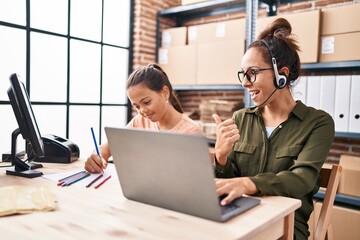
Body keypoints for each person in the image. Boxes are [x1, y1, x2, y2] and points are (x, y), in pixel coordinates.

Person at [212, 18, 334, 240]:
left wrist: (247, 183)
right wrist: (221, 158)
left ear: (281, 75)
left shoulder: (318, 123)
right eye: (243, 74)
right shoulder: (240, 118)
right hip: (239, 216)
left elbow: (303, 178)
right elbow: (228, 185)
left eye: (253, 73)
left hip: (286, 224)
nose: (245, 82)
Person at [85, 63, 203, 173]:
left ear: (165, 93)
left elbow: (193, 178)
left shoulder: (191, 132)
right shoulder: (140, 121)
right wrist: (97, 156)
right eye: (136, 106)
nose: (142, 111)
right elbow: (108, 147)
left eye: (146, 102)